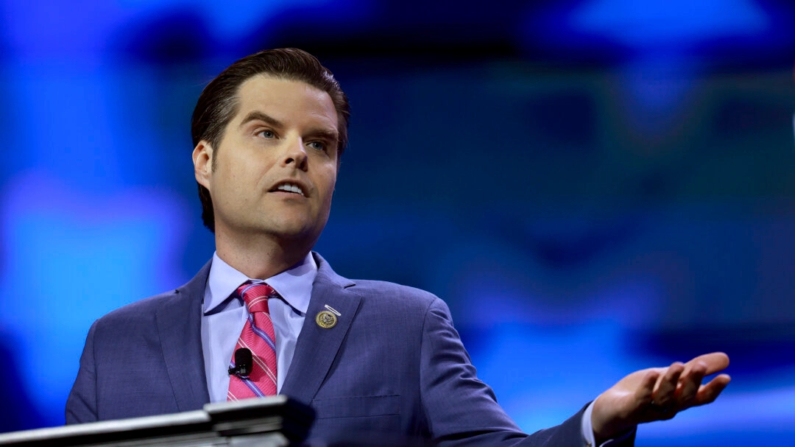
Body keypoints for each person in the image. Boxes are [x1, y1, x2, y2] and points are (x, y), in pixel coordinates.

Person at [65, 48, 731, 446]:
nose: (297, 152)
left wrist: (598, 420)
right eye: (266, 133)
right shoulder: (115, 345)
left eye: (319, 144)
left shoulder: (405, 325)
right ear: (204, 161)